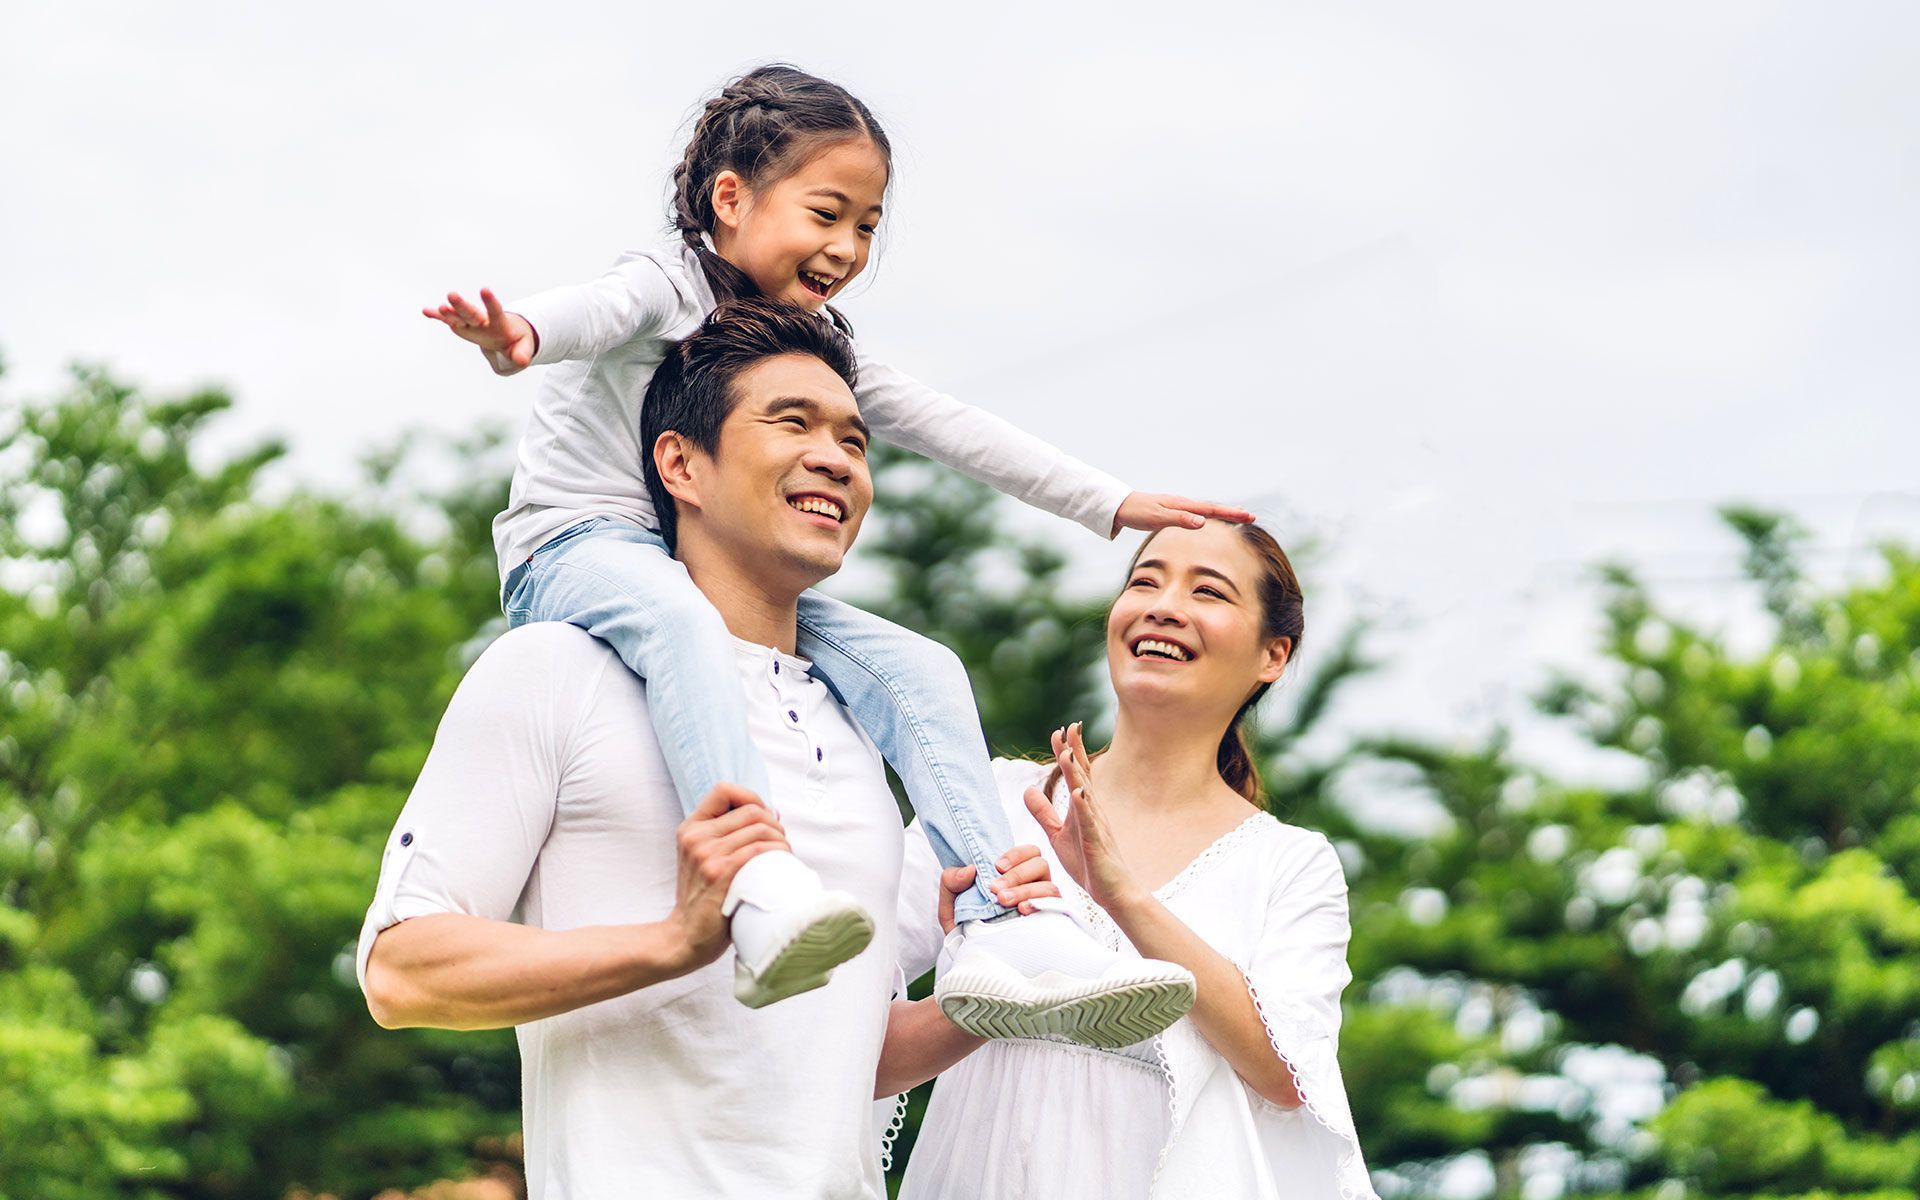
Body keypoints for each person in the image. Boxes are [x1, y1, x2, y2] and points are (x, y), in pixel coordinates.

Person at [419, 63, 1244, 1019]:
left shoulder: (806, 343)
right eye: (827, 213)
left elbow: (949, 423)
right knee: (680, 622)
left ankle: (999, 917)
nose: (848, 246)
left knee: (923, 668)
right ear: (730, 199)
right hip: (575, 547)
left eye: (867, 225)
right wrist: (522, 333)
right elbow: (595, 313)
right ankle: (757, 886)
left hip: (692, 561)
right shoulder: (664, 281)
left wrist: (1113, 502)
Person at [357, 300, 1183, 1196]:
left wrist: (979, 996)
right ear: (680, 464)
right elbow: (402, 972)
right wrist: (674, 943)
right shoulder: (555, 670)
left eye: (856, 441)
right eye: (791, 422)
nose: (835, 456)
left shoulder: (862, 726)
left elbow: (840, 1064)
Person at [878, 519, 1378, 1200]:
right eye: (1146, 580)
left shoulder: (1290, 864)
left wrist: (1121, 896)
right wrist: (984, 996)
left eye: (1210, 592)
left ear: (1273, 655)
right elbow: (847, 1047)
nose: (1164, 605)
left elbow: (1289, 1075)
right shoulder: (988, 801)